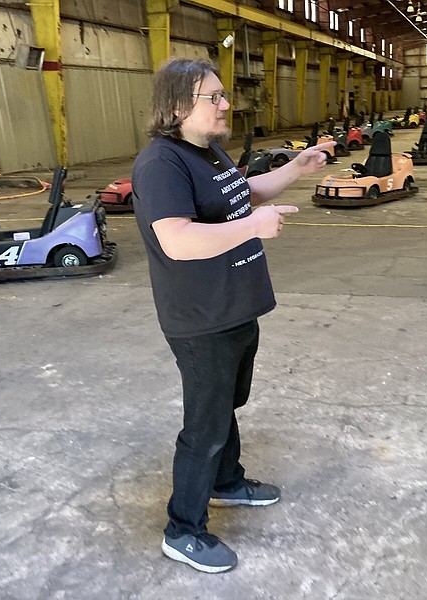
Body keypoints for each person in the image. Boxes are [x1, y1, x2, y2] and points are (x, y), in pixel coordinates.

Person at [131, 57, 334, 574]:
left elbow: (242, 196)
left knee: (226, 405)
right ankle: (184, 529)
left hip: (234, 307)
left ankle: (226, 482)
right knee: (204, 425)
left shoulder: (208, 151)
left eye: (223, 95)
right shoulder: (162, 164)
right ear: (178, 107)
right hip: (201, 318)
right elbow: (175, 240)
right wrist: (253, 228)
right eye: (214, 98)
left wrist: (295, 169)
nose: (227, 105)